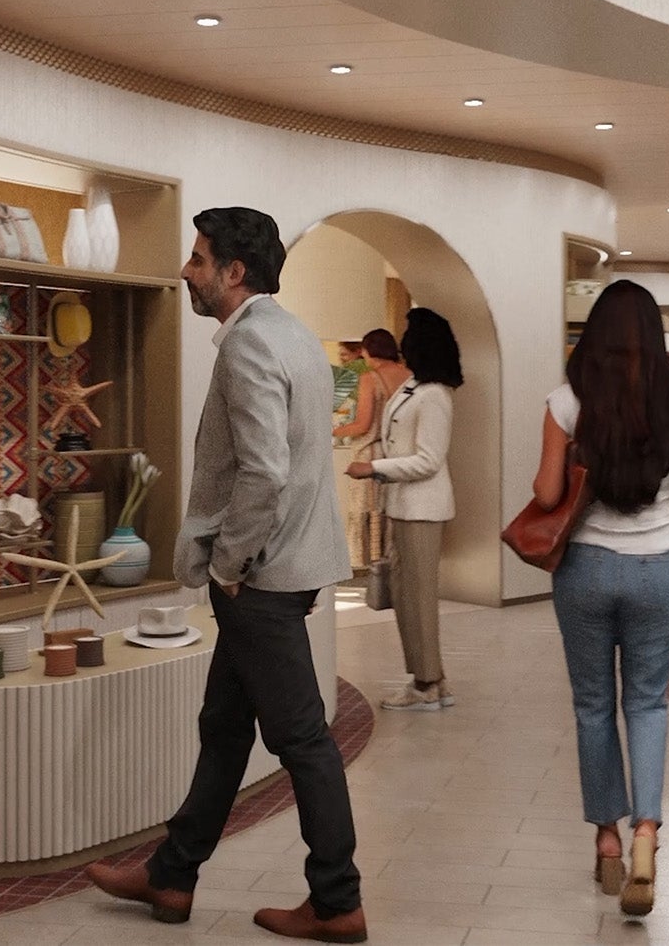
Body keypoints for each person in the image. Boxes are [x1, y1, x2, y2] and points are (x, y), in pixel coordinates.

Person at [85, 207, 365, 944]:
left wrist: (232, 563)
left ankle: (337, 899)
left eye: (198, 258)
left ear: (233, 272)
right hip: (292, 564)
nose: (186, 270)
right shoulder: (294, 334)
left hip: (261, 575)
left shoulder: (246, 346)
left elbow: (265, 471)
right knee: (224, 726)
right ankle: (173, 874)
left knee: (303, 737)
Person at [536, 280, 669, 919]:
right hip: (658, 569)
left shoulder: (566, 400)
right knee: (648, 703)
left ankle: (606, 834)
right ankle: (646, 835)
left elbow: (550, 493)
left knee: (591, 704)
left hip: (583, 569)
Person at [345, 309, 462, 711]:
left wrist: (373, 468)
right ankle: (431, 678)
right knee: (406, 596)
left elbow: (429, 460)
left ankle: (426, 682)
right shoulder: (415, 386)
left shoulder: (435, 396)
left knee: (418, 599)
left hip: (422, 509)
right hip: (404, 506)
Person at [333, 329, 411, 568]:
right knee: (393, 514)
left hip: (371, 454)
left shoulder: (371, 378)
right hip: (401, 454)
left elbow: (363, 424)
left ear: (367, 351)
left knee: (367, 514)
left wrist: (332, 429)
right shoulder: (410, 375)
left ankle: (370, 570)